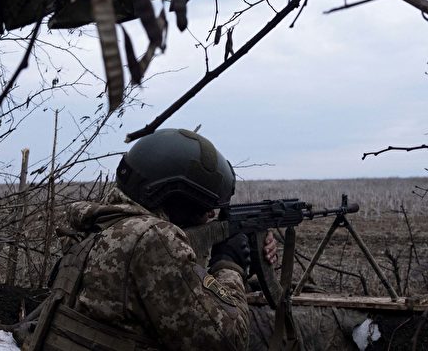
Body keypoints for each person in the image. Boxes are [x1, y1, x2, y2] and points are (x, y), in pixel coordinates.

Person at [23, 128, 277, 351]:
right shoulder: (152, 238)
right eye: (205, 206)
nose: (211, 214)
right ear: (174, 195)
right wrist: (229, 264)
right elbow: (229, 341)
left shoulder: (101, 225)